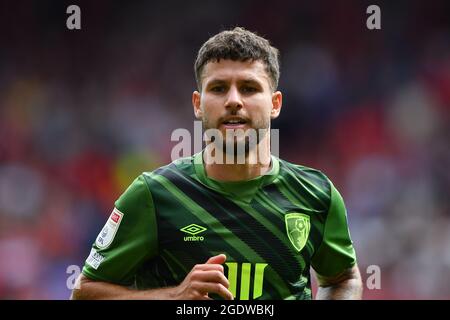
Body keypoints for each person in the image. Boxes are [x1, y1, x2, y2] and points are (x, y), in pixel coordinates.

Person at [71, 27, 363, 300]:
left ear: (275, 104)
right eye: (219, 88)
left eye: (249, 88)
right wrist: (174, 296)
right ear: (198, 104)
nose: (234, 100)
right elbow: (84, 292)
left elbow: (343, 278)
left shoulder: (316, 194)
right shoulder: (154, 195)